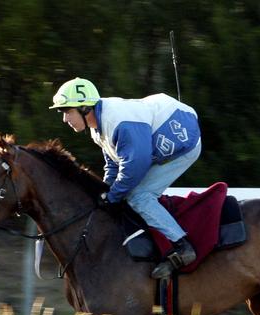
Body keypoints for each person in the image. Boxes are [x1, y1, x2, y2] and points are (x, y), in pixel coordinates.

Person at [49, 77, 202, 279]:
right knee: (123, 194)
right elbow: (113, 164)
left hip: (185, 142)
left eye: (67, 111)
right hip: (160, 130)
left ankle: (183, 246)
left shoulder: (119, 123)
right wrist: (104, 191)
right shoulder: (98, 129)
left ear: (86, 108)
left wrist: (112, 197)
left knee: (138, 196)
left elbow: (133, 168)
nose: (65, 119)